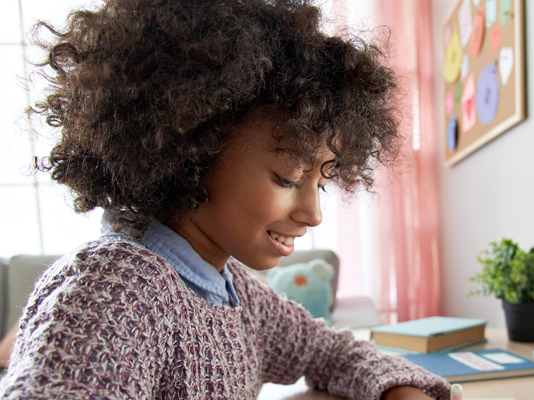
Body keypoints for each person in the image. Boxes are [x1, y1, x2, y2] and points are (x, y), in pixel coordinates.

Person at [0, 0, 448, 399]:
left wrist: (398, 389)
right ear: (192, 148)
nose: (313, 214)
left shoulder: (236, 290)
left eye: (322, 182)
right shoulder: (114, 291)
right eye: (288, 177)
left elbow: (333, 351)